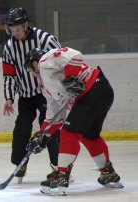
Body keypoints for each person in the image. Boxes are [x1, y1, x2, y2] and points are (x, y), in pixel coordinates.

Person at [24, 47, 124, 195]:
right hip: (103, 92)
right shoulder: (47, 86)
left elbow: (75, 55)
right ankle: (108, 173)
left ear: (34, 64)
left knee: (68, 132)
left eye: (29, 70)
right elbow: (55, 117)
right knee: (89, 136)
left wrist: (71, 77)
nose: (32, 75)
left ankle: (62, 176)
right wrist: (43, 136)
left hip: (93, 89)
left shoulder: (45, 62)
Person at [2, 7, 62, 183]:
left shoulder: (45, 39)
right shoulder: (9, 47)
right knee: (21, 129)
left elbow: (61, 61)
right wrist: (9, 97)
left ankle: (59, 167)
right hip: (26, 96)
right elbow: (9, 74)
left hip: (47, 95)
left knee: (50, 130)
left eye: (18, 30)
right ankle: (20, 165)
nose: (15, 34)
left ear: (26, 24)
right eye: (11, 30)